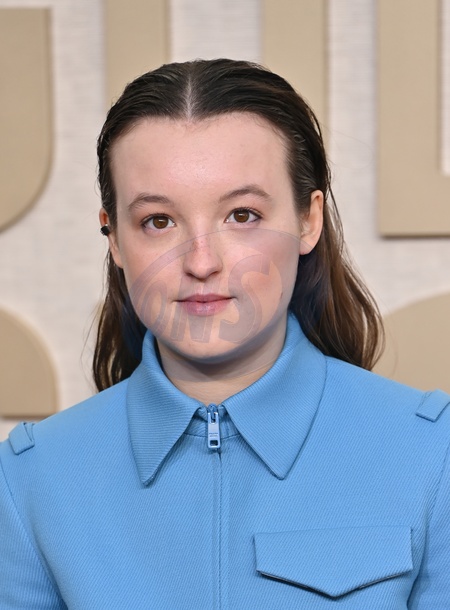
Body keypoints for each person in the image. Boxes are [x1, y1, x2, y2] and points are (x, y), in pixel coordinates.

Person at [0, 59, 449, 609]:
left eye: (242, 215)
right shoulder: (28, 481)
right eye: (158, 221)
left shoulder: (434, 456)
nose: (201, 262)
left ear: (309, 220)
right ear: (114, 237)